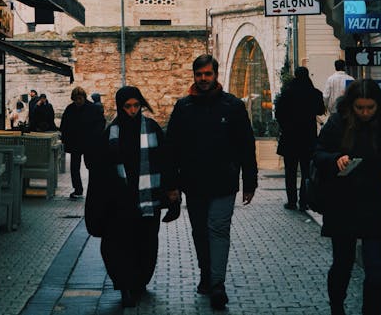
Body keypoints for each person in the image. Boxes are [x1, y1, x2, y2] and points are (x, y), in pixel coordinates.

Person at [166, 54, 257, 311]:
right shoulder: (183, 107)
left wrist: (250, 181)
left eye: (208, 74)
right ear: (194, 76)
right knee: (200, 233)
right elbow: (171, 148)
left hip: (223, 182)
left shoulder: (233, 106)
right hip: (194, 183)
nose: (203, 79)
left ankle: (217, 283)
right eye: (199, 75)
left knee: (218, 230)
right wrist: (171, 184)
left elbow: (246, 147)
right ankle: (206, 274)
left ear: (216, 75)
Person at [85, 85, 179, 309]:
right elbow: (98, 169)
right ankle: (125, 285)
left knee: (145, 244)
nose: (133, 110)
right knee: (118, 245)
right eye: (127, 106)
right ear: (120, 107)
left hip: (148, 200)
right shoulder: (110, 134)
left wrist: (172, 192)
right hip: (119, 203)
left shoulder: (152, 129)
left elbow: (166, 162)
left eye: (137, 105)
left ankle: (138, 282)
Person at [314, 79, 381, 315]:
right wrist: (335, 158)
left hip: (374, 204)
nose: (366, 113)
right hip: (343, 203)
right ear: (352, 106)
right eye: (360, 108)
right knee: (342, 264)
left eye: (370, 107)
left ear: (378, 105)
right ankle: (337, 308)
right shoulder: (338, 122)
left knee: (375, 269)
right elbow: (318, 152)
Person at [274, 66, 325, 212]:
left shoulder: (287, 94)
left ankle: (291, 201)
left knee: (290, 171)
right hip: (308, 137)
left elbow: (278, 114)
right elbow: (320, 110)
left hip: (290, 137)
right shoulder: (314, 93)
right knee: (306, 172)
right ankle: (304, 201)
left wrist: (285, 126)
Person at [60, 86, 105, 199]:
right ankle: (78, 190)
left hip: (89, 143)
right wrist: (66, 139)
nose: (78, 101)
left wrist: (95, 137)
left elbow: (100, 123)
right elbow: (64, 126)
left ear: (84, 98)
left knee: (91, 166)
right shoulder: (70, 109)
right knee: (74, 168)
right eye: (76, 99)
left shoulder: (93, 109)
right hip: (75, 143)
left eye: (80, 98)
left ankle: (92, 189)